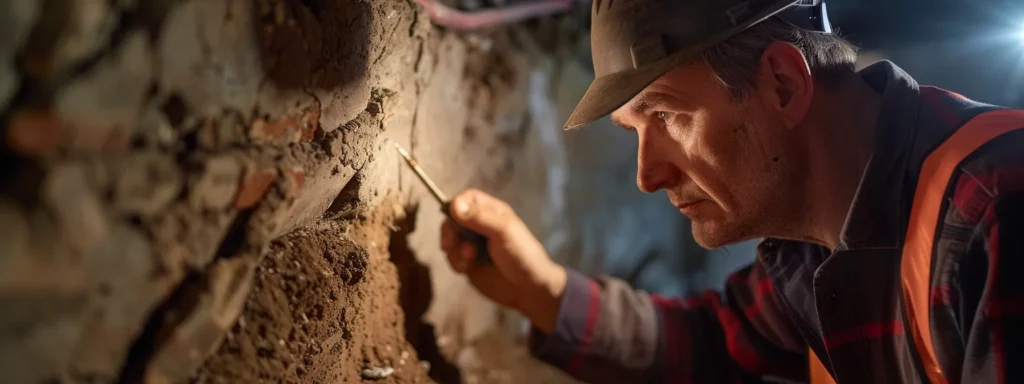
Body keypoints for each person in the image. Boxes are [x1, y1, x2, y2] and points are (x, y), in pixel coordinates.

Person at [439, 0, 1024, 382]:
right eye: (634, 131)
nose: (648, 175)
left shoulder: (995, 205)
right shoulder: (816, 239)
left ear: (782, 83)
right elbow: (714, 342)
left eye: (666, 115)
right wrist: (542, 290)